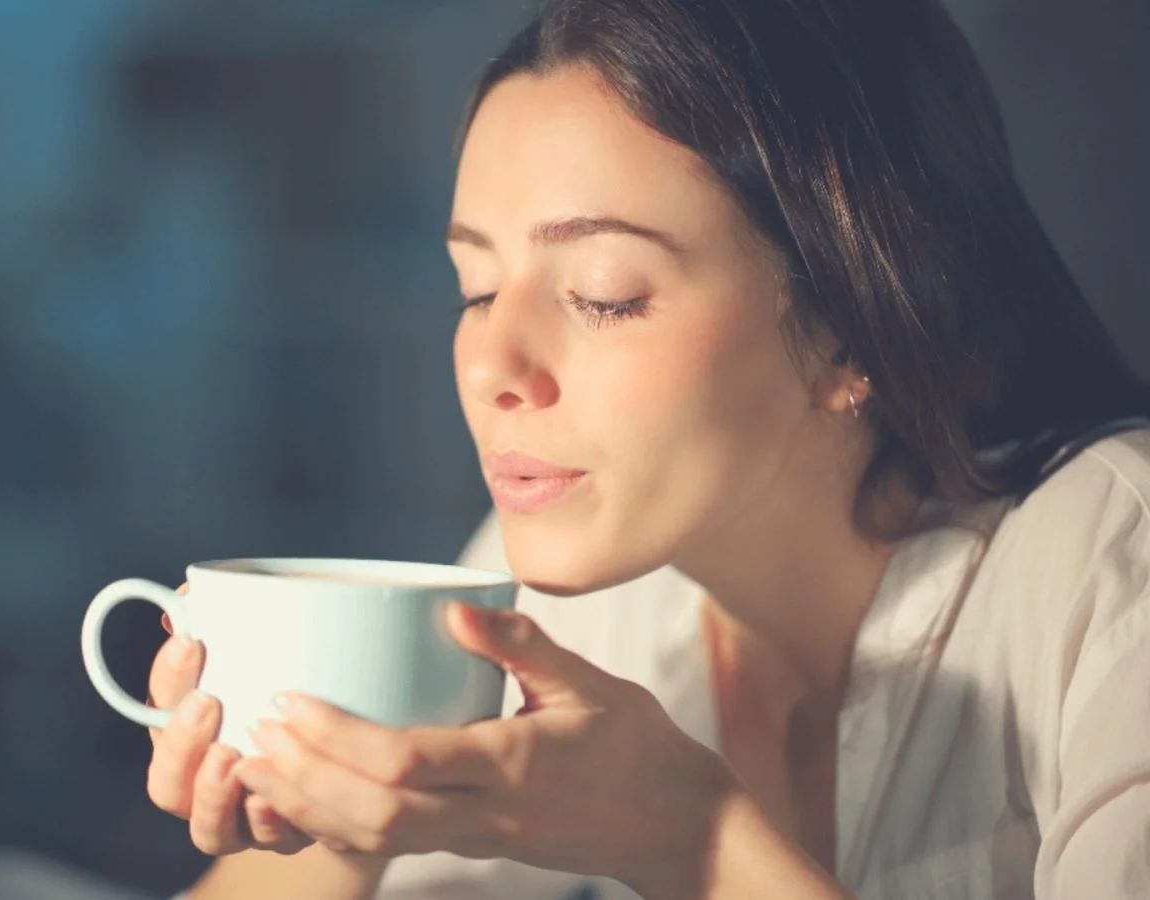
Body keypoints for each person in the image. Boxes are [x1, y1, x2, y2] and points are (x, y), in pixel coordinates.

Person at [139, 0, 1150, 897]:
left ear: (853, 325)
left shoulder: (1112, 566)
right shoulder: (548, 583)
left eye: (603, 294)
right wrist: (341, 822)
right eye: (475, 290)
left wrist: (693, 840)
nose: (494, 362)